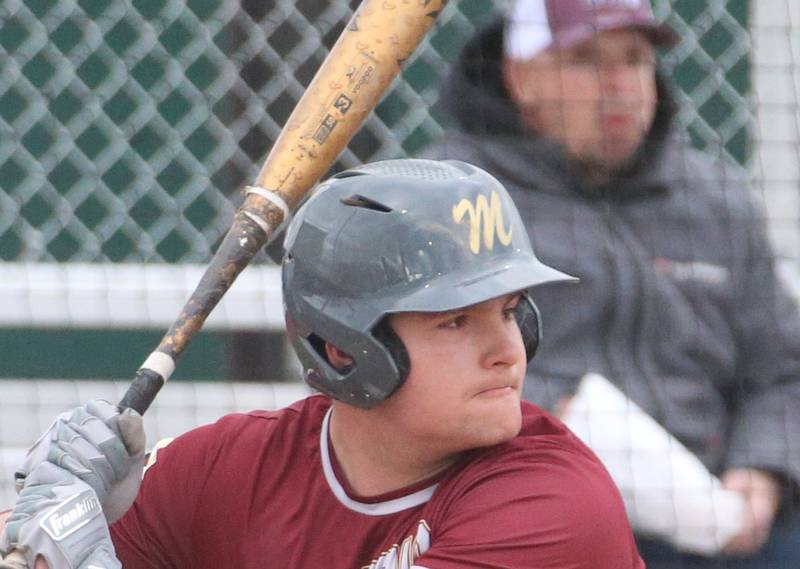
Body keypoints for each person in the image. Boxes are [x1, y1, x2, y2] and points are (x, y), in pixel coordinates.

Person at [0, 159, 644, 569]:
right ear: (344, 348)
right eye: (455, 320)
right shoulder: (227, 470)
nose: (508, 348)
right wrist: (49, 516)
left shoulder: (553, 509)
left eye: (509, 311)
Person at [422, 0, 800, 567]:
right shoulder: (453, 198)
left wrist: (764, 470)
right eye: (585, 61)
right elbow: (430, 367)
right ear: (521, 78)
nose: (619, 84)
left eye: (635, 58)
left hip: (734, 519)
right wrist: (548, 412)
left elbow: (783, 371)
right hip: (539, 507)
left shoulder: (716, 197)